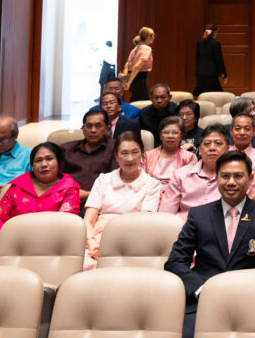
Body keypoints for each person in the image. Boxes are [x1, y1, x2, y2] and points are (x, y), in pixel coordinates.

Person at [166, 150, 255, 338]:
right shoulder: (199, 215)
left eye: (238, 176)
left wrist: (246, 293)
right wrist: (201, 290)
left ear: (250, 179)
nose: (231, 182)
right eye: (225, 176)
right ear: (217, 178)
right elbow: (175, 262)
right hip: (203, 300)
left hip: (251, 301)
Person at [0, 142, 80, 264]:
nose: (44, 164)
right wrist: (4, 248)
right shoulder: (17, 186)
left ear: (59, 162)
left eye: (49, 159)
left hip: (50, 252)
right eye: (38, 161)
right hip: (13, 247)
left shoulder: (69, 188)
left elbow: (65, 226)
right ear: (32, 165)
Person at [83, 131, 162, 268]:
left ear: (142, 154)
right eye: (124, 153)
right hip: (99, 236)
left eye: (135, 152)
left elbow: (143, 222)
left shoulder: (152, 184)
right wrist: (91, 243)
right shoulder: (103, 180)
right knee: (84, 264)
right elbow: (88, 220)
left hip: (134, 236)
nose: (130, 158)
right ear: (116, 156)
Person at [160, 124, 230, 219]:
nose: (212, 148)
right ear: (200, 150)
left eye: (218, 143)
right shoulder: (181, 175)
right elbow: (166, 214)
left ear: (227, 150)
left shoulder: (234, 178)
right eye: (207, 144)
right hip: (184, 228)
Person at [62, 110, 117, 204]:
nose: (93, 130)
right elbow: (54, 180)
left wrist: (89, 195)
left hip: (102, 203)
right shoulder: (66, 149)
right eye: (89, 126)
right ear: (83, 128)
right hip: (66, 201)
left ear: (107, 128)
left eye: (98, 126)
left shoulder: (115, 148)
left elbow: (118, 182)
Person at [143, 115, 197, 188]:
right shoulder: (147, 156)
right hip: (150, 194)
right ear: (161, 135)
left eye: (175, 132)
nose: (170, 136)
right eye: (166, 132)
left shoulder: (189, 157)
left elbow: (189, 183)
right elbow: (141, 180)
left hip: (177, 195)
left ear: (181, 136)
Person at [193, 24, 227, 98]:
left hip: (200, 73)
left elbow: (197, 59)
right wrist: (224, 75)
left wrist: (199, 70)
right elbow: (219, 60)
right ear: (214, 32)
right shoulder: (216, 43)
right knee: (218, 95)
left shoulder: (199, 43)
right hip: (211, 74)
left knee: (201, 95)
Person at [122, 26, 155, 101]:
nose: (153, 37)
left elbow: (126, 65)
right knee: (142, 101)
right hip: (138, 77)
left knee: (136, 98)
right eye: (152, 35)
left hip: (132, 76)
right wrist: (129, 82)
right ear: (148, 37)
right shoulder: (146, 48)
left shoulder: (135, 49)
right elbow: (137, 66)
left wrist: (126, 80)